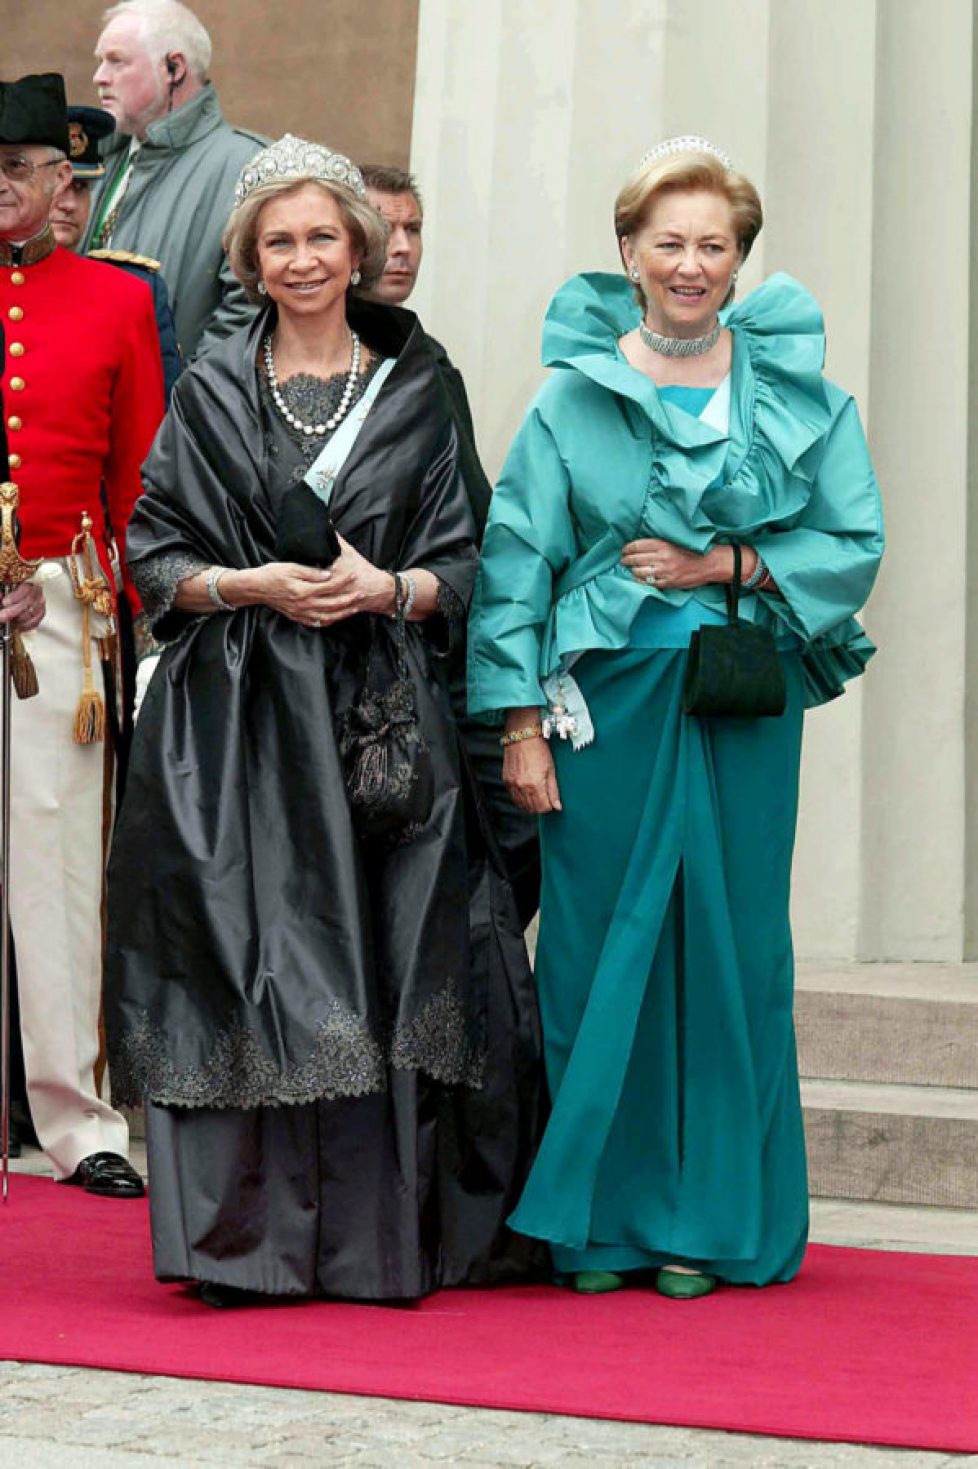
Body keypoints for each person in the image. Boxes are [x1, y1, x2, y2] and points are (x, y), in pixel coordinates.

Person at [105, 135, 542, 1304]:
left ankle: (365, 1242)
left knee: (380, 964)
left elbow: (463, 557)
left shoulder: (416, 382)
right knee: (244, 966)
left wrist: (384, 588)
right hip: (235, 727)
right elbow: (153, 552)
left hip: (381, 724)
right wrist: (248, 585)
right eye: (279, 241)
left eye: (323, 238)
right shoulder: (209, 384)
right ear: (250, 257)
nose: (303, 259)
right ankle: (244, 1244)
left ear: (361, 248)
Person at [468, 137, 884, 1297]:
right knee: (598, 953)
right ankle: (599, 1222)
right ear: (628, 253)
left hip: (737, 699)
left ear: (740, 260)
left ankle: (711, 1222)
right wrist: (512, 723)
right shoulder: (568, 395)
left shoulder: (797, 391)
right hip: (599, 708)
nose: (690, 264)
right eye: (669, 243)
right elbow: (516, 563)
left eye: (714, 245)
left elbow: (852, 542)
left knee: (730, 949)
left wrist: (725, 562)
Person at [0, 71, 164, 1197]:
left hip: (60, 602)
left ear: (64, 183)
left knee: (59, 865)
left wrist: (133, 632)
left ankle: (78, 1116)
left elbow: (140, 478)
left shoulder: (116, 302)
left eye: (15, 172)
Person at [361, 162, 541, 928]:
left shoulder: (429, 360)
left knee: (514, 839)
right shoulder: (283, 362)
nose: (401, 247)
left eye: (414, 229)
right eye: (383, 228)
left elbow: (473, 507)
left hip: (452, 632)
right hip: (362, 652)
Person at [85, 0, 265, 359]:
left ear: (175, 68)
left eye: (117, 61)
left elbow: (249, 310)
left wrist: (183, 400)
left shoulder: (250, 167)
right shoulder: (92, 159)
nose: (99, 77)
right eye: (100, 61)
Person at [52, 104, 181, 403]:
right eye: (59, 186)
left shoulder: (135, 290)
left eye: (81, 187)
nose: (69, 204)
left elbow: (162, 418)